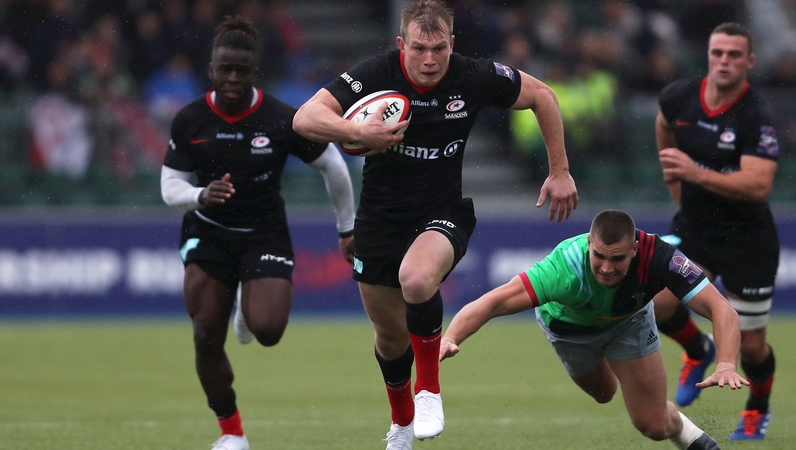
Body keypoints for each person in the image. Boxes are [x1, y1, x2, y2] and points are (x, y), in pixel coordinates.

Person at [292, 1, 578, 448]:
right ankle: (402, 425)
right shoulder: (375, 74)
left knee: (417, 278)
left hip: (442, 213)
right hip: (379, 220)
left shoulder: (473, 75)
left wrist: (559, 170)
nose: (430, 59)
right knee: (389, 339)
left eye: (439, 48)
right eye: (420, 48)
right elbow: (304, 118)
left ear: (452, 44)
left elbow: (543, 96)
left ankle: (429, 391)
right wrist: (360, 134)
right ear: (401, 44)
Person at [160, 15, 356, 450]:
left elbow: (334, 166)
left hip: (264, 232)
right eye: (224, 68)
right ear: (211, 69)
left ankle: (248, 306)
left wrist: (347, 228)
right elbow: (169, 186)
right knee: (205, 333)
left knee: (267, 330)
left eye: (241, 70)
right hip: (208, 231)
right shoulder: (190, 119)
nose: (232, 78)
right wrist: (199, 195)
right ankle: (232, 434)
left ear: (254, 72)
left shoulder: (280, 118)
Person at [440, 209, 748, 450]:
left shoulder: (661, 256)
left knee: (653, 425)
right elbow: (493, 302)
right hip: (568, 330)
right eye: (599, 255)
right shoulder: (564, 269)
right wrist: (450, 337)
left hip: (630, 322)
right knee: (604, 393)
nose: (606, 267)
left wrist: (725, 364)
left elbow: (721, 309)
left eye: (617, 259)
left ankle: (699, 443)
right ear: (589, 244)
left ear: (635, 249)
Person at [652, 22, 779, 441]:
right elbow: (664, 124)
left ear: (750, 62)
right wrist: (675, 182)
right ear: (708, 54)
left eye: (734, 55)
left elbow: (758, 185)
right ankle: (698, 350)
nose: (724, 61)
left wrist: (694, 174)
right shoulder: (679, 96)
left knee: (751, 346)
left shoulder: (756, 117)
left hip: (748, 243)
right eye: (717, 53)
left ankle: (757, 409)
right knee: (658, 304)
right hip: (694, 230)